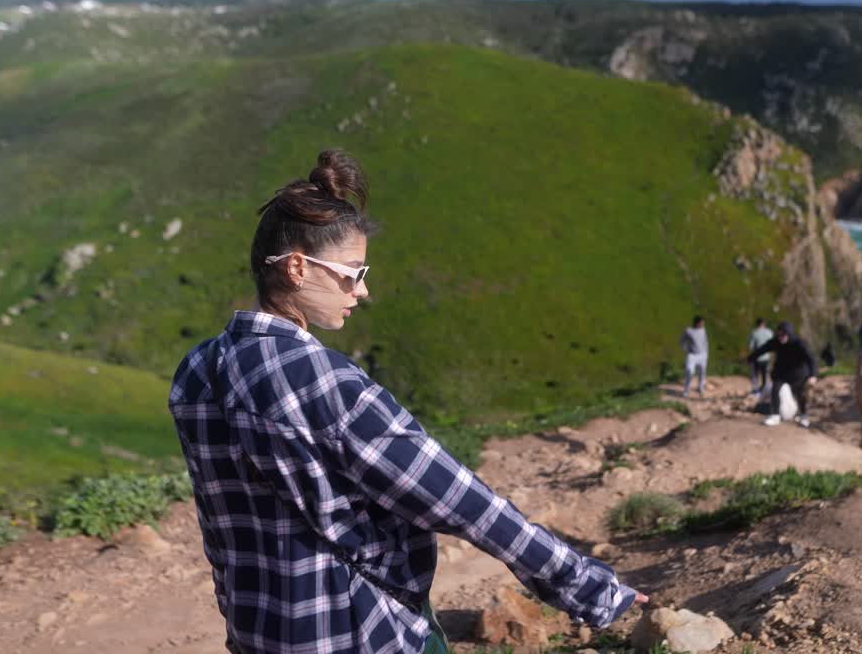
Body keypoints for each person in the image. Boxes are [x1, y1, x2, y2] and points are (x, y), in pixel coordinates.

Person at [168, 150, 644, 654]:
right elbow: (462, 503)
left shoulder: (197, 372)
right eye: (352, 272)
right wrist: (589, 588)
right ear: (298, 269)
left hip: (259, 634)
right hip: (356, 631)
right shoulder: (325, 382)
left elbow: (220, 531)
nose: (363, 289)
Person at [748, 322, 819, 428]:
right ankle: (775, 415)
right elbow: (762, 349)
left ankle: (803, 416)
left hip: (798, 373)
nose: (781, 337)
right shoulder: (776, 342)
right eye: (779, 335)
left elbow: (811, 359)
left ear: (789, 334)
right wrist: (750, 358)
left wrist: (813, 375)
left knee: (800, 394)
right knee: (775, 389)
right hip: (782, 373)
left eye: (783, 335)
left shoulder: (800, 343)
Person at [681, 315, 709, 397]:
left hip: (703, 355)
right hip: (692, 355)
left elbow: (706, 342)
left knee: (702, 372)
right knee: (690, 371)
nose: (703, 324)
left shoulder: (703, 330)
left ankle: (700, 388)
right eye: (701, 323)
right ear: (696, 323)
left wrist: (706, 354)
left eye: (703, 323)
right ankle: (686, 390)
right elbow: (682, 341)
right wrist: (686, 349)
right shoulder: (689, 331)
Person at [748, 318, 774, 395]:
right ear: (764, 323)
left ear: (757, 324)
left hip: (757, 358)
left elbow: (751, 347)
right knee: (765, 375)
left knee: (755, 375)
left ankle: (756, 391)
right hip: (766, 358)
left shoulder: (754, 333)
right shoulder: (769, 332)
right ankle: (766, 391)